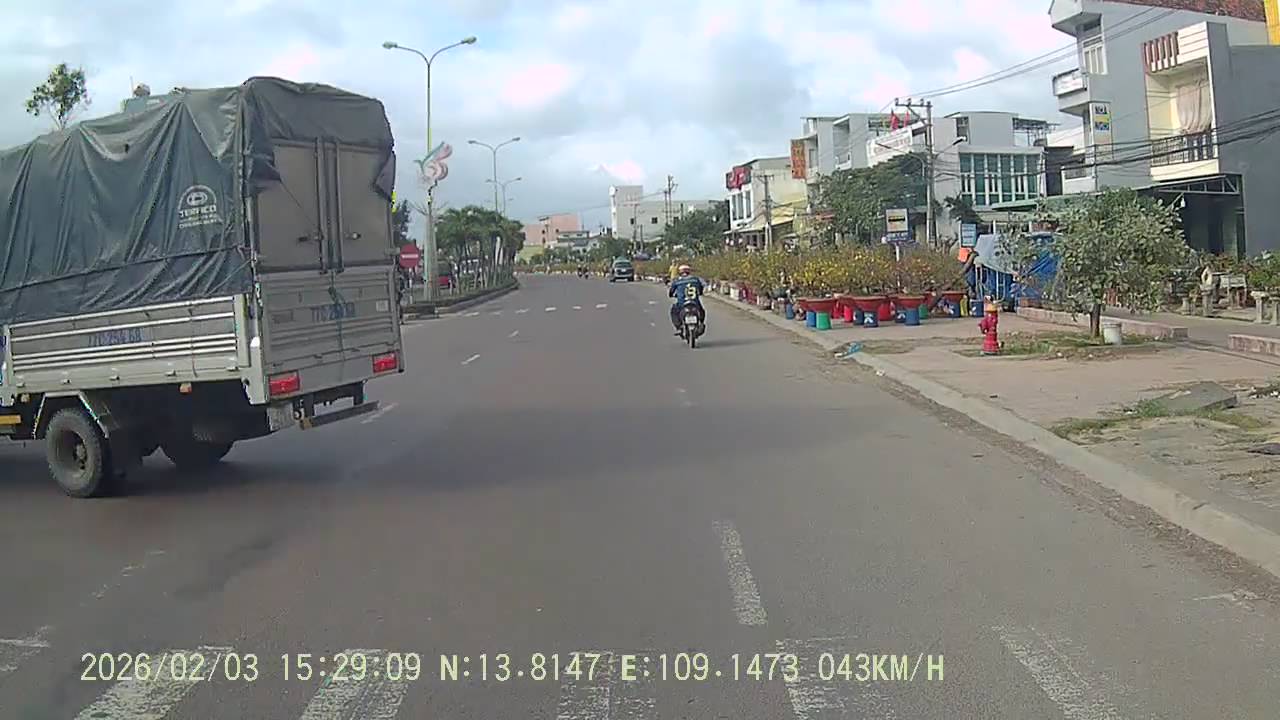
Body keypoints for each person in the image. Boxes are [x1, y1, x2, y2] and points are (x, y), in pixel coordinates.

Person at [668, 264, 705, 335]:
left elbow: (671, 291)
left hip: (682, 303)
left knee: (673, 311)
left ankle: (679, 327)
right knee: (701, 311)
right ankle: (701, 323)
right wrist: (700, 292)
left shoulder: (677, 281)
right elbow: (700, 288)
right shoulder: (695, 279)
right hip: (694, 302)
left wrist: (671, 294)